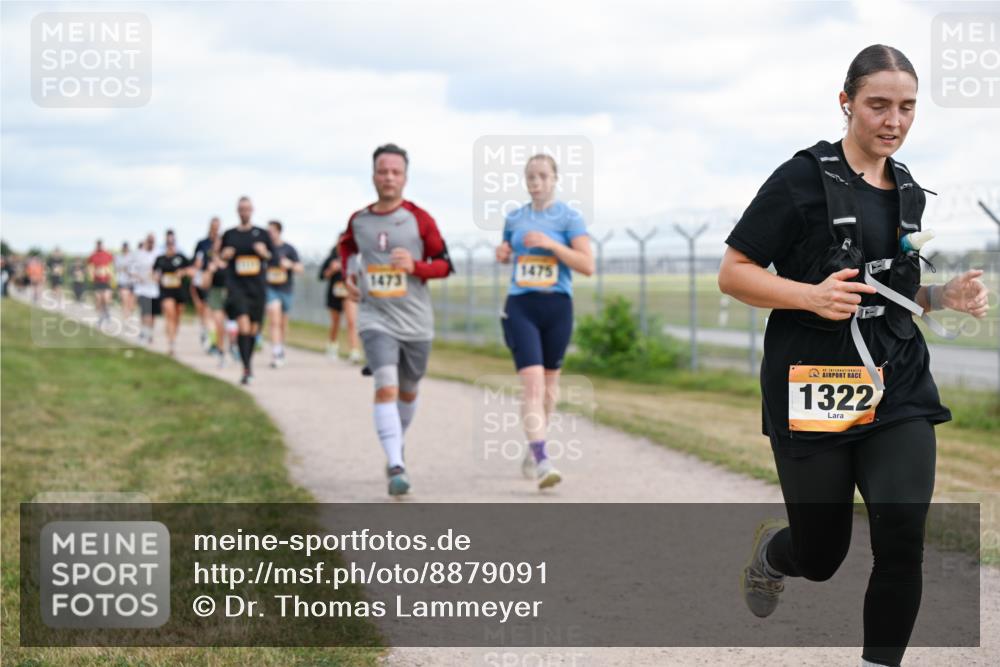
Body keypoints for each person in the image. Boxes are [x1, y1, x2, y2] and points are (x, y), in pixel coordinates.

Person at [718, 45, 991, 667]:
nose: (893, 120)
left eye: (906, 107)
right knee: (822, 555)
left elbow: (890, 293)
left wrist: (941, 296)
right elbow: (734, 275)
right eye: (878, 105)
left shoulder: (908, 191)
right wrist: (809, 296)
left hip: (897, 378)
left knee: (902, 538)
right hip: (813, 379)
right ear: (846, 104)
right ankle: (773, 556)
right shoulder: (800, 180)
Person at [340, 143, 454, 496]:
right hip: (376, 318)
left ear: (405, 177)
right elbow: (346, 247)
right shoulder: (360, 220)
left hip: (416, 322)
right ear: (373, 175)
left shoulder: (420, 220)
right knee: (385, 385)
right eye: (382, 171)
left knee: (407, 390)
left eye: (395, 172)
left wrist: (416, 266)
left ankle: (395, 444)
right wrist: (348, 275)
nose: (389, 177)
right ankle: (395, 465)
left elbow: (446, 264)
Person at [495, 154, 593, 489]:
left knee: (550, 389)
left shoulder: (569, 218)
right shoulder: (515, 217)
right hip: (521, 305)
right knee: (533, 384)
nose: (535, 182)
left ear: (554, 179)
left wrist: (551, 244)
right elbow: (507, 251)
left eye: (542, 176)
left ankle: (534, 445)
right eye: (530, 177)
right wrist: (503, 254)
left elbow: (587, 265)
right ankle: (543, 460)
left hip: (557, 307)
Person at [220, 196, 274, 385]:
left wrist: (263, 253)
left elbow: (272, 257)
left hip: (257, 288)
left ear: (252, 210)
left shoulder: (262, 234)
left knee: (253, 330)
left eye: (247, 209)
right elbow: (220, 258)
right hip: (237, 287)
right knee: (243, 326)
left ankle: (247, 361)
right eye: (241, 209)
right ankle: (246, 368)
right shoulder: (229, 234)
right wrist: (224, 256)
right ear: (237, 211)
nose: (244, 212)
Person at [264, 220, 304, 368]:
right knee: (274, 319)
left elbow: (300, 268)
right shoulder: (265, 250)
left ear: (279, 231)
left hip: (286, 289)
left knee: (282, 323)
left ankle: (281, 347)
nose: (269, 234)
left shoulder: (289, 249)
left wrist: (290, 265)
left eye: (272, 231)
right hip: (270, 289)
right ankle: (276, 352)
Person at [319, 241, 362, 361]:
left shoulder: (354, 259)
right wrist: (332, 270)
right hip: (334, 294)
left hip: (349, 294)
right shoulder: (331, 259)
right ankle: (332, 345)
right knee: (335, 323)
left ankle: (354, 350)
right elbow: (321, 276)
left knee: (352, 322)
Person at [153, 234, 193, 356]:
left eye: (172, 244)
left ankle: (173, 336)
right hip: (166, 291)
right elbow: (154, 273)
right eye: (168, 244)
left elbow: (191, 271)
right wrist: (156, 277)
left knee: (177, 316)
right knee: (170, 314)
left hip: (179, 291)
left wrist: (183, 272)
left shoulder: (181, 258)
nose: (170, 246)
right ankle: (171, 343)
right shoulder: (160, 259)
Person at [192, 218, 221, 351]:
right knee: (204, 309)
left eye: (217, 226)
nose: (215, 229)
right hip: (203, 279)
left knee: (213, 312)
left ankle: (212, 339)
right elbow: (196, 262)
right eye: (213, 226)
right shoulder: (202, 244)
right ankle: (206, 332)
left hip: (218, 281)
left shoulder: (222, 243)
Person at [132, 234, 161, 344]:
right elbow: (132, 270)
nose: (150, 243)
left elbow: (161, 270)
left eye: (152, 241)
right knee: (145, 312)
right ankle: (144, 331)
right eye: (149, 241)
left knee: (152, 314)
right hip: (142, 289)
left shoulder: (157, 254)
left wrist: (158, 277)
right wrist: (139, 277)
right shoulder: (139, 255)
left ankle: (150, 333)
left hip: (154, 289)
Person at [86, 239, 115, 324]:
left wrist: (111, 275)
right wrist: (92, 274)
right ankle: (101, 317)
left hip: (106, 280)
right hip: (97, 281)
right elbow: (89, 265)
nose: (99, 246)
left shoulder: (107, 254)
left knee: (106, 299)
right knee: (99, 299)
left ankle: (106, 313)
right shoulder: (93, 255)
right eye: (98, 245)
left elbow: (112, 265)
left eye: (100, 245)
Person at [116, 242, 137, 320]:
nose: (125, 249)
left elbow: (135, 269)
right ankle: (125, 318)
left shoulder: (133, 257)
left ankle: (129, 314)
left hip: (132, 282)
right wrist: (125, 269)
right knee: (125, 300)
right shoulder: (118, 257)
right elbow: (118, 269)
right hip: (123, 281)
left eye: (126, 247)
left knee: (131, 303)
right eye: (124, 247)